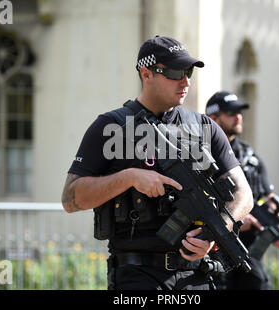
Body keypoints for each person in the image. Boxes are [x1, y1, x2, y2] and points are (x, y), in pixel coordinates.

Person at [61, 36, 253, 290]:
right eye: (176, 72)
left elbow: (244, 194)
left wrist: (215, 231)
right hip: (137, 275)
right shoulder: (110, 127)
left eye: (189, 71)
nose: (185, 81)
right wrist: (129, 177)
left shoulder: (205, 127)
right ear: (146, 73)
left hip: (195, 277)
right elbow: (70, 199)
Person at [206, 91, 277, 290]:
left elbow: (267, 198)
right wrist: (235, 218)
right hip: (212, 250)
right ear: (213, 118)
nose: (238, 116)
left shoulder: (251, 157)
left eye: (239, 112)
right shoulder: (200, 156)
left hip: (247, 252)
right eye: (231, 112)